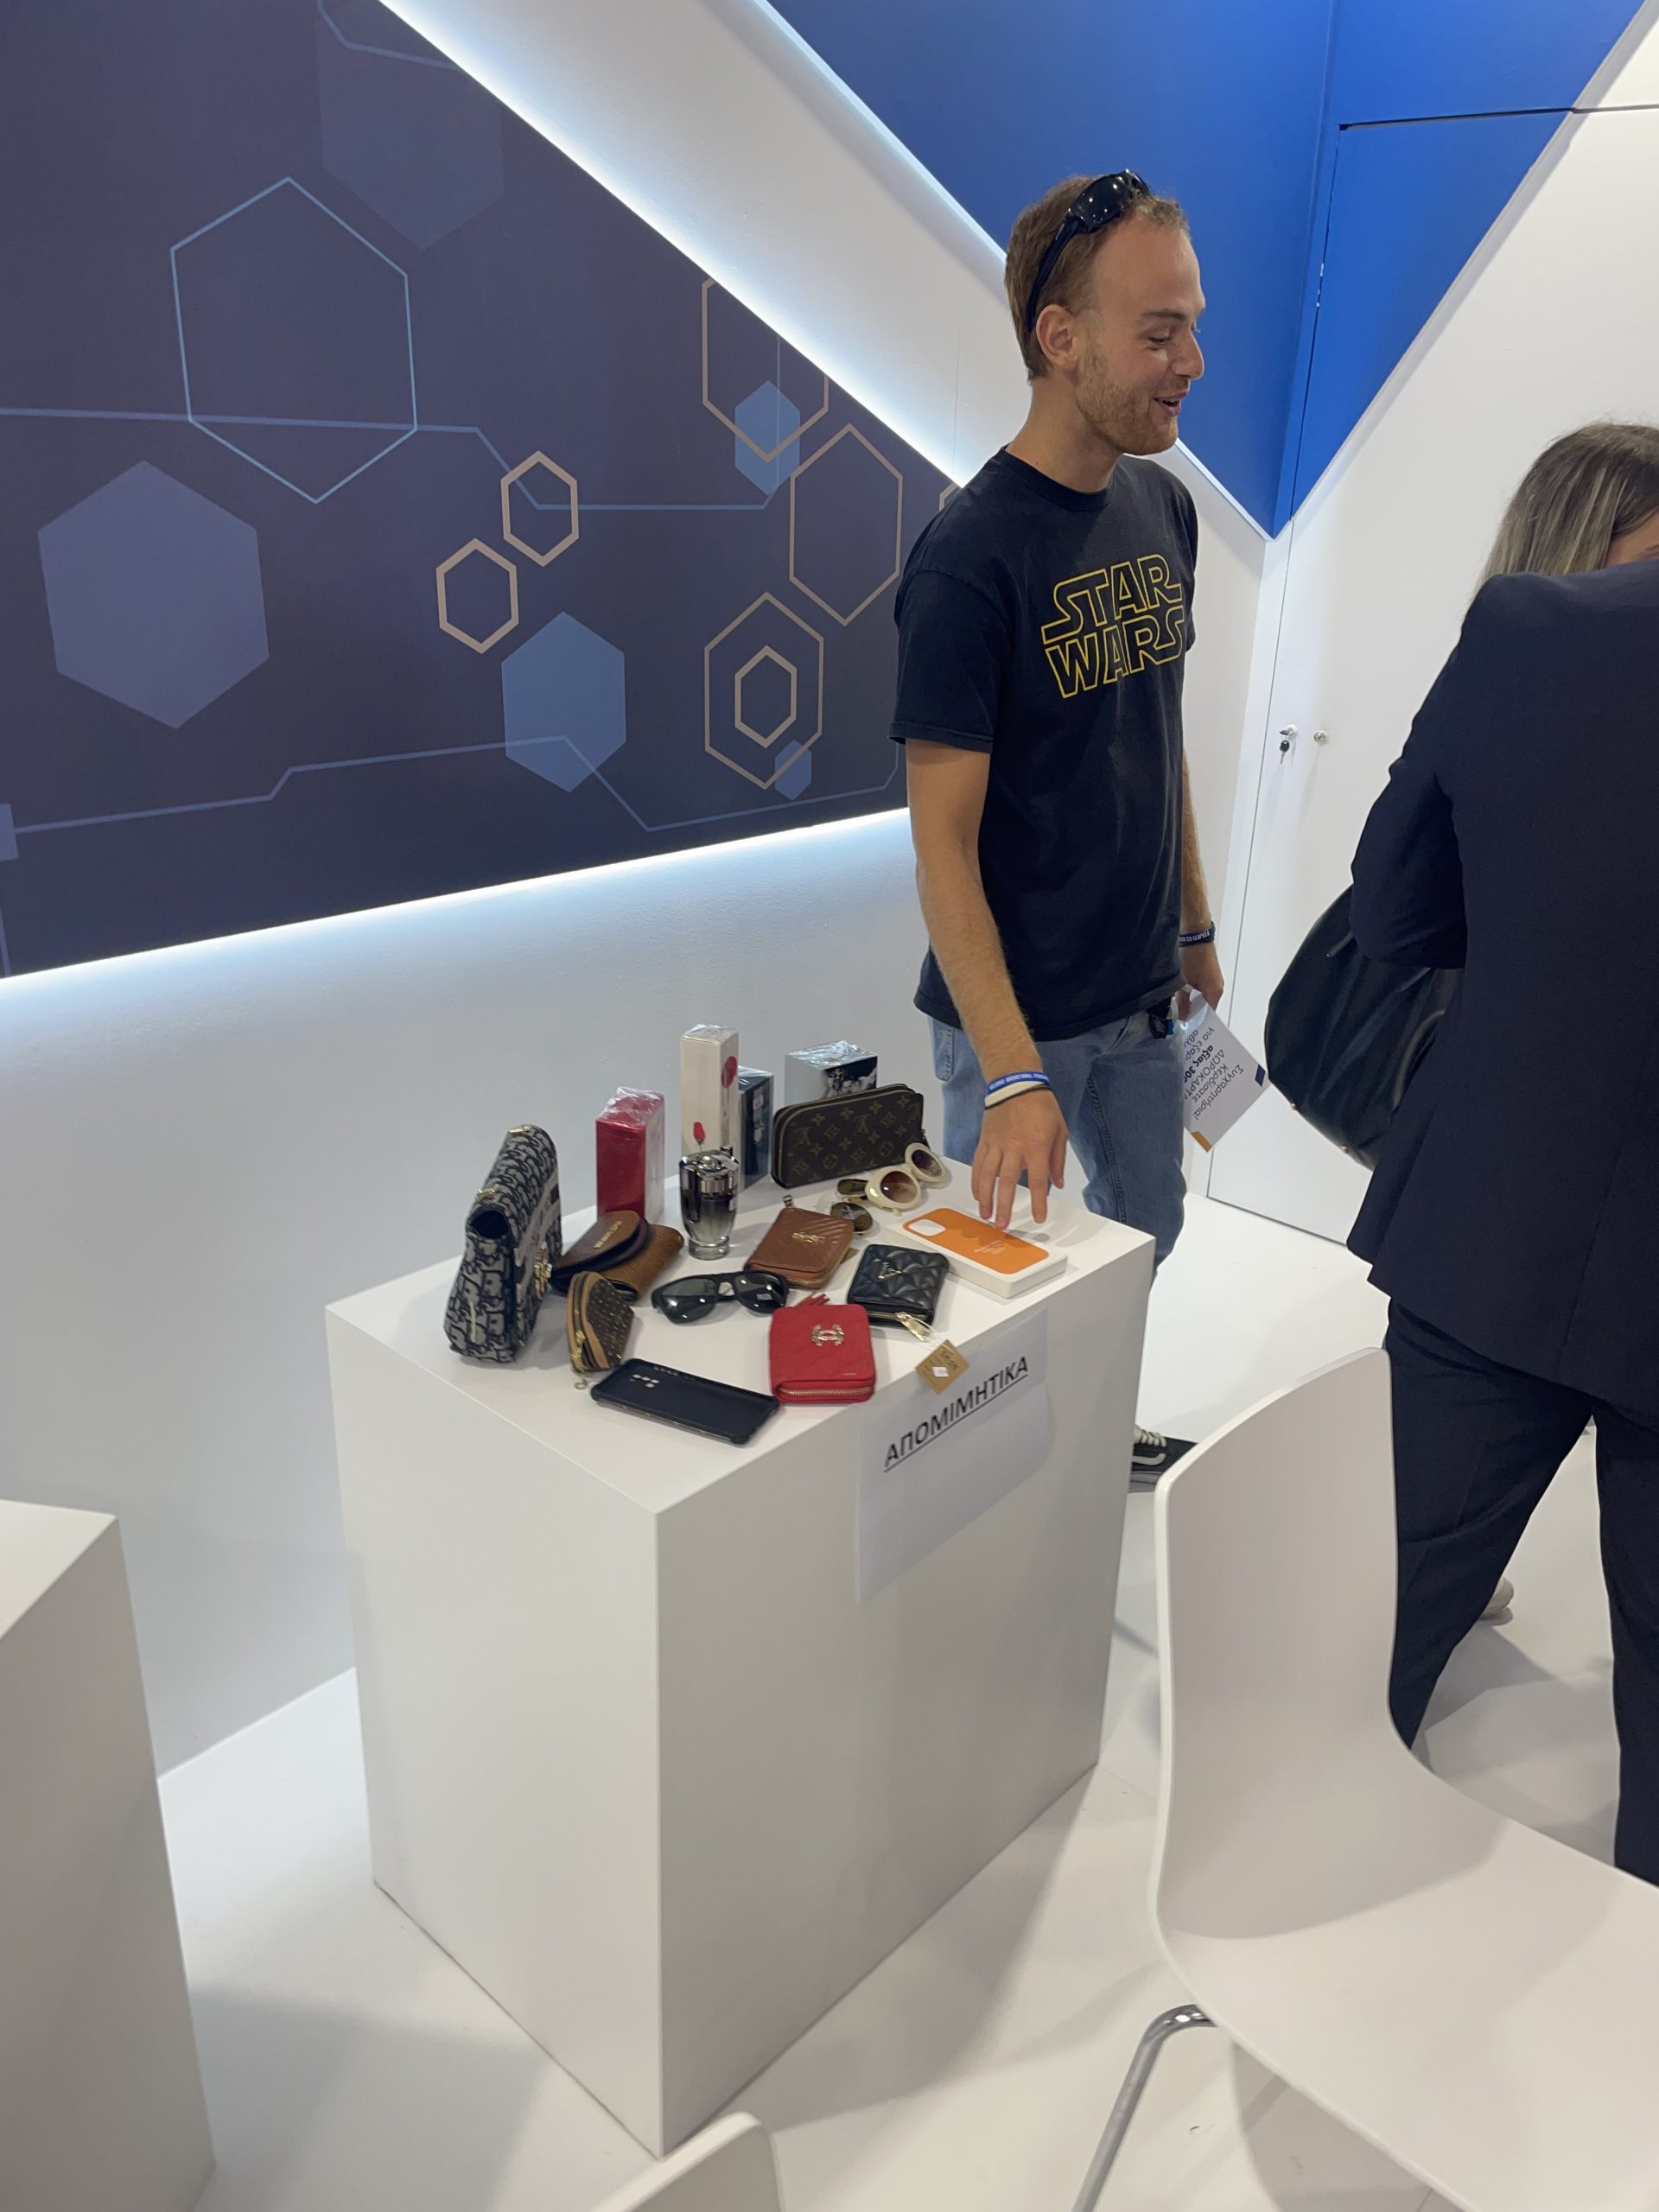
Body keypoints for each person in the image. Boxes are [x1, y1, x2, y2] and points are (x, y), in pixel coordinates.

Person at [1348, 420, 1659, 1882]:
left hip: (1499, 1221)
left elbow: (1397, 913)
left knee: (1374, 1624)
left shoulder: (1533, 629)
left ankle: (1293, 1928)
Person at [889, 172, 1222, 1483]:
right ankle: (987, 1502)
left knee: (1146, 1233)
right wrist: (1013, 1073)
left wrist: (1191, 922)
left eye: (1193, 326)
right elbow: (940, 844)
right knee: (987, 1294)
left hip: (1139, 994)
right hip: (1016, 1021)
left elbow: (1159, 727)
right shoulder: (967, 560)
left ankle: (1083, 1447)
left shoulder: (1165, 507)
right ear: (1061, 336)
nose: (1191, 363)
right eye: (1159, 333)